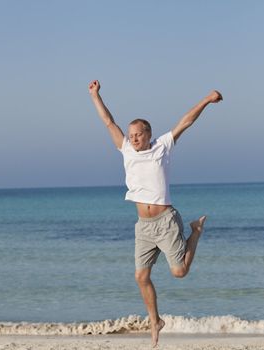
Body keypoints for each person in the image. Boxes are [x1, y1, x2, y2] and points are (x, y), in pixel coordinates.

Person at [88, 80, 223, 347]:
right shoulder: (126, 150)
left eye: (138, 134)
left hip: (165, 221)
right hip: (143, 226)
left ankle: (195, 231)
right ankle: (155, 320)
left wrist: (207, 100)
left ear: (148, 133)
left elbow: (185, 122)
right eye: (131, 134)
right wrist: (95, 95)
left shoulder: (162, 146)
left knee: (179, 272)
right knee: (141, 277)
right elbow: (108, 122)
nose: (133, 138)